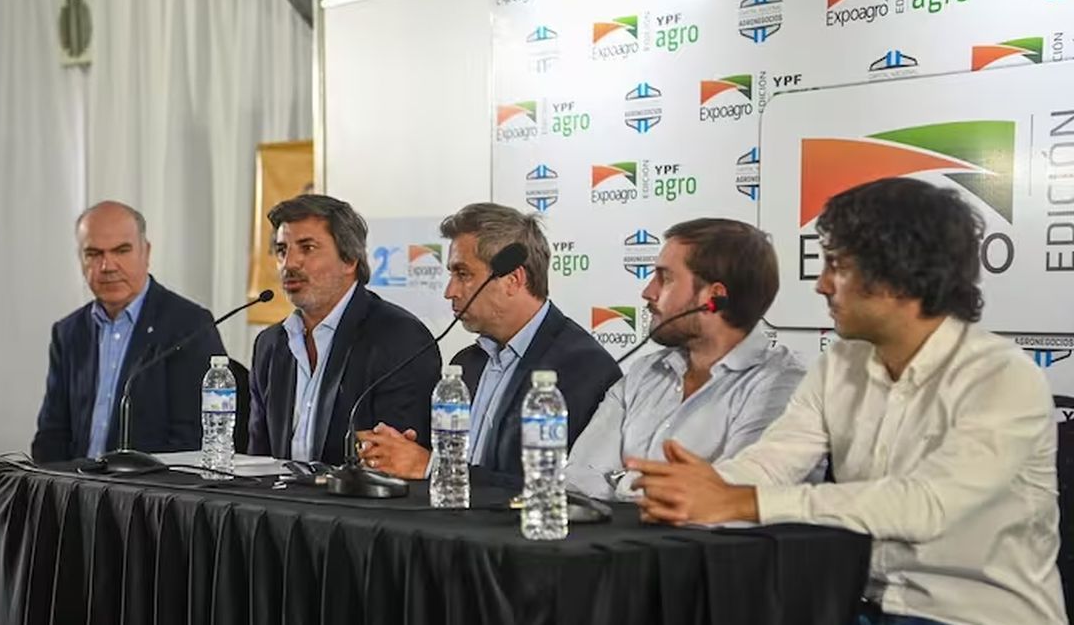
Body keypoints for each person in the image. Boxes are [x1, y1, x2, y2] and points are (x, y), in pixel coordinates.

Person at [629, 179, 1067, 625]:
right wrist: (692, 489)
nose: (821, 285)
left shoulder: (1001, 376)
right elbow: (771, 464)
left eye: (836, 266)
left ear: (897, 276)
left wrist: (743, 502)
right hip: (852, 604)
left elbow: (927, 507)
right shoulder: (840, 363)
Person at [0, 200, 225, 625]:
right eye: (94, 253)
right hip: (67, 499)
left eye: (121, 250)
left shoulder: (188, 325)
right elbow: (51, 433)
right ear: (81, 259)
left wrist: (112, 497)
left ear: (146, 251)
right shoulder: (69, 332)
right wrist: (57, 494)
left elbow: (192, 442)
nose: (107, 266)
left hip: (140, 509)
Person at [358, 203, 620, 479]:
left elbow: (548, 488)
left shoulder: (583, 368)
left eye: (463, 274)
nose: (450, 291)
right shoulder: (466, 364)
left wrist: (430, 467)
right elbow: (450, 462)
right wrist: (399, 451)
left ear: (513, 280)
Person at [566, 218, 806, 500]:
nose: (648, 292)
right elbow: (579, 478)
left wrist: (619, 480)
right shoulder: (644, 373)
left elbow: (735, 498)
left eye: (665, 278)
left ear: (714, 298)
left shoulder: (781, 385)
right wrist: (655, 485)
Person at [248, 195, 439, 464]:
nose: (289, 264)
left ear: (349, 260)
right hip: (281, 492)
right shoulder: (270, 344)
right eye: (282, 250)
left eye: (307, 248)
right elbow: (257, 462)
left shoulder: (400, 338)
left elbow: (394, 463)